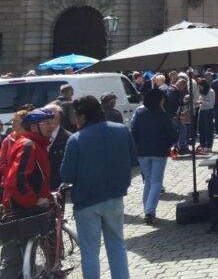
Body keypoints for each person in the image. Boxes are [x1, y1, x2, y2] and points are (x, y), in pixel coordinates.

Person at [60, 96, 136, 279]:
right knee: (117, 245)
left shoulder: (76, 140)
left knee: (90, 253)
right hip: (114, 197)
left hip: (87, 202)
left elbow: (66, 175)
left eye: (76, 115)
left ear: (83, 116)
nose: (74, 120)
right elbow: (134, 161)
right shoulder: (122, 130)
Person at [0, 108, 54, 279]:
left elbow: (39, 179)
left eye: (51, 122)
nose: (51, 126)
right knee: (13, 259)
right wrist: (34, 201)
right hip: (21, 210)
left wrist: (47, 197)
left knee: (25, 259)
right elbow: (16, 182)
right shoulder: (28, 145)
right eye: (46, 123)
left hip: (28, 209)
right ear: (33, 127)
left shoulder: (38, 145)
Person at [130, 88, 176, 225]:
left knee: (149, 182)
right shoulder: (162, 115)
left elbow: (134, 131)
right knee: (156, 182)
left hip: (143, 152)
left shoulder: (139, 113)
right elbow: (172, 134)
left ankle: (148, 210)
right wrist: (168, 144)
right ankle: (149, 211)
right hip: (159, 152)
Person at [196, 78, 215, 151]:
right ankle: (202, 144)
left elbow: (211, 104)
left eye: (201, 86)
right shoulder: (201, 91)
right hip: (201, 110)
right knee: (201, 129)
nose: (200, 87)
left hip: (208, 111)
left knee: (208, 129)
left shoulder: (211, 91)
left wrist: (201, 102)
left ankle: (209, 145)